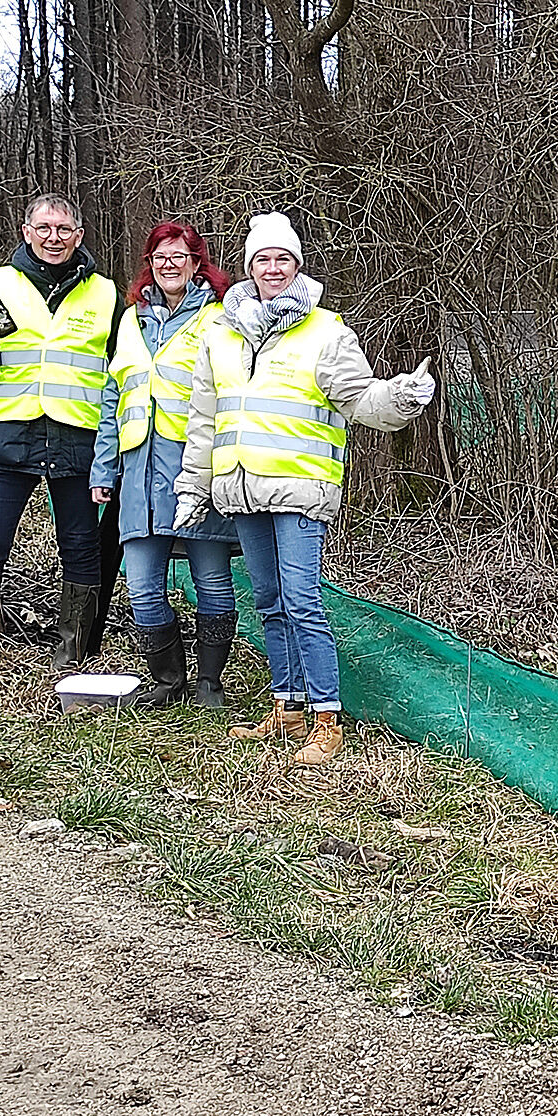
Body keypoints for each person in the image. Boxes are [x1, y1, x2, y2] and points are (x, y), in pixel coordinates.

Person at [174, 211, 435, 764]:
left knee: (302, 599)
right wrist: (192, 488)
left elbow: (361, 400)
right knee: (267, 599)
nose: (273, 268)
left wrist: (402, 397)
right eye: (262, 259)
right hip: (240, 491)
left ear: (298, 266)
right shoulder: (220, 333)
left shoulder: (327, 332)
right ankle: (287, 707)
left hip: (299, 492)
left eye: (283, 259)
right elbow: (204, 418)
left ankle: (326, 718)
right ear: (248, 266)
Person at [0, 192, 124, 668]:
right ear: (26, 233)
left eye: (64, 229)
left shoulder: (106, 293)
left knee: (80, 548)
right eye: (44, 228)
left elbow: (123, 368)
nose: (54, 238)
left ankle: (72, 650)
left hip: (78, 440)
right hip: (7, 438)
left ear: (79, 236)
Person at [90, 222, 240, 708]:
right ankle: (168, 681)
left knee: (211, 580)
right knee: (142, 588)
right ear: (149, 265)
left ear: (197, 263)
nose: (169, 264)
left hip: (197, 469)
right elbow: (115, 394)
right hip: (138, 471)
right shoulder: (131, 321)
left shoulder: (218, 320)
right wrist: (103, 468)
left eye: (179, 255)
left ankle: (209, 683)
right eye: (160, 256)